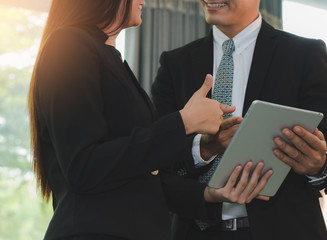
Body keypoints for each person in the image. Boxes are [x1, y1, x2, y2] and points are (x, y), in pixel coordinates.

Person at [28, 1, 274, 240]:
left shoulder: (109, 57)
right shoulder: (69, 44)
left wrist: (208, 176)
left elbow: (141, 167)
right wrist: (184, 122)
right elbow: (83, 166)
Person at [151, 0, 327, 239]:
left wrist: (319, 165)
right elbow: (157, 161)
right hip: (195, 231)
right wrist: (202, 149)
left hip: (285, 230)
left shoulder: (304, 55)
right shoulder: (175, 64)